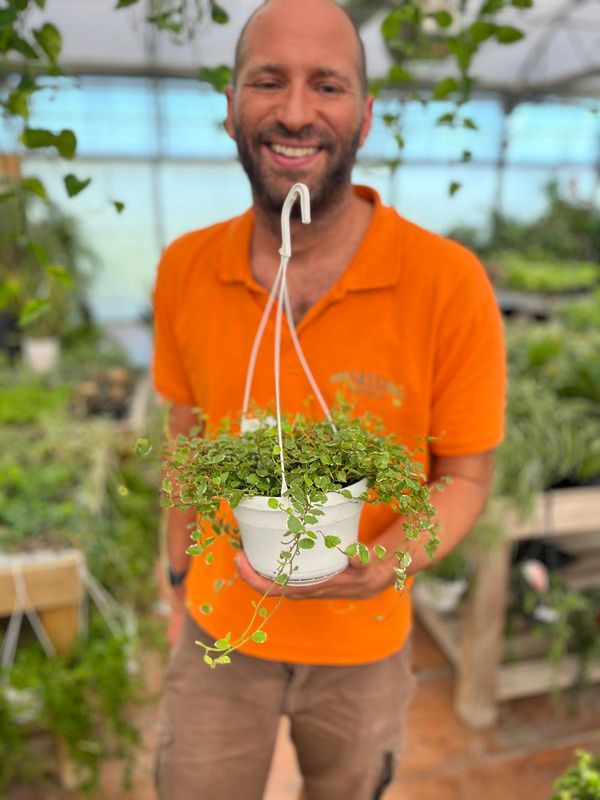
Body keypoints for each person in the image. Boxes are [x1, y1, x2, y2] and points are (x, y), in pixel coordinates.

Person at [151, 0, 506, 798]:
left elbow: (467, 475)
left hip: (365, 649)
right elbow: (185, 435)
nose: (296, 111)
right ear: (233, 106)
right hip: (220, 625)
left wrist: (389, 561)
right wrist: (176, 581)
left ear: (367, 114)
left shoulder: (446, 283)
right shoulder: (185, 268)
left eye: (328, 85)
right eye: (267, 81)